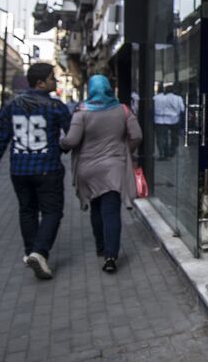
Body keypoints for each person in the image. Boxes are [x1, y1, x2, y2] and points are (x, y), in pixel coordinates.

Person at [0, 63, 71, 280]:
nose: (55, 82)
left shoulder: (11, 106)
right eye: (52, 78)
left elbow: (1, 139)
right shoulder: (56, 107)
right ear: (40, 82)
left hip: (19, 169)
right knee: (52, 211)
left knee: (27, 210)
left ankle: (32, 252)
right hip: (47, 168)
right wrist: (62, 148)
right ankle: (39, 253)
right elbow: (71, 135)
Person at [60, 75, 142, 273]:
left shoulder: (82, 112)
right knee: (111, 210)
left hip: (88, 169)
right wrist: (126, 150)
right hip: (114, 167)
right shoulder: (123, 110)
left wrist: (60, 144)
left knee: (96, 207)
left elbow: (71, 141)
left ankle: (101, 246)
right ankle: (111, 256)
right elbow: (137, 135)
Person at [153, 83, 184, 160]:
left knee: (162, 137)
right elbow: (182, 109)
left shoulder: (161, 98)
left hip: (162, 120)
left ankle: (163, 153)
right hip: (175, 120)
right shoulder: (178, 98)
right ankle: (172, 151)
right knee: (174, 137)